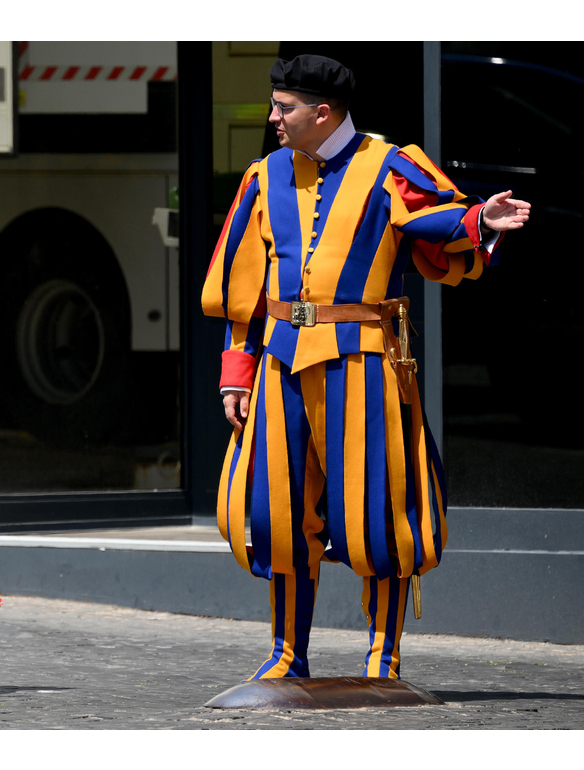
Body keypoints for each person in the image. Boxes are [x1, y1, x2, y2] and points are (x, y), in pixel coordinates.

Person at [202, 56, 530, 680]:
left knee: (380, 511)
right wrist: (235, 372)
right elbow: (240, 284)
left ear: (322, 112)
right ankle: (285, 657)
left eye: (283, 107)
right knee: (276, 514)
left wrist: (479, 219)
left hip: (366, 364)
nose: (272, 117)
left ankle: (383, 656)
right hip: (278, 363)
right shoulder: (264, 175)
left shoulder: (390, 163)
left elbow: (436, 218)